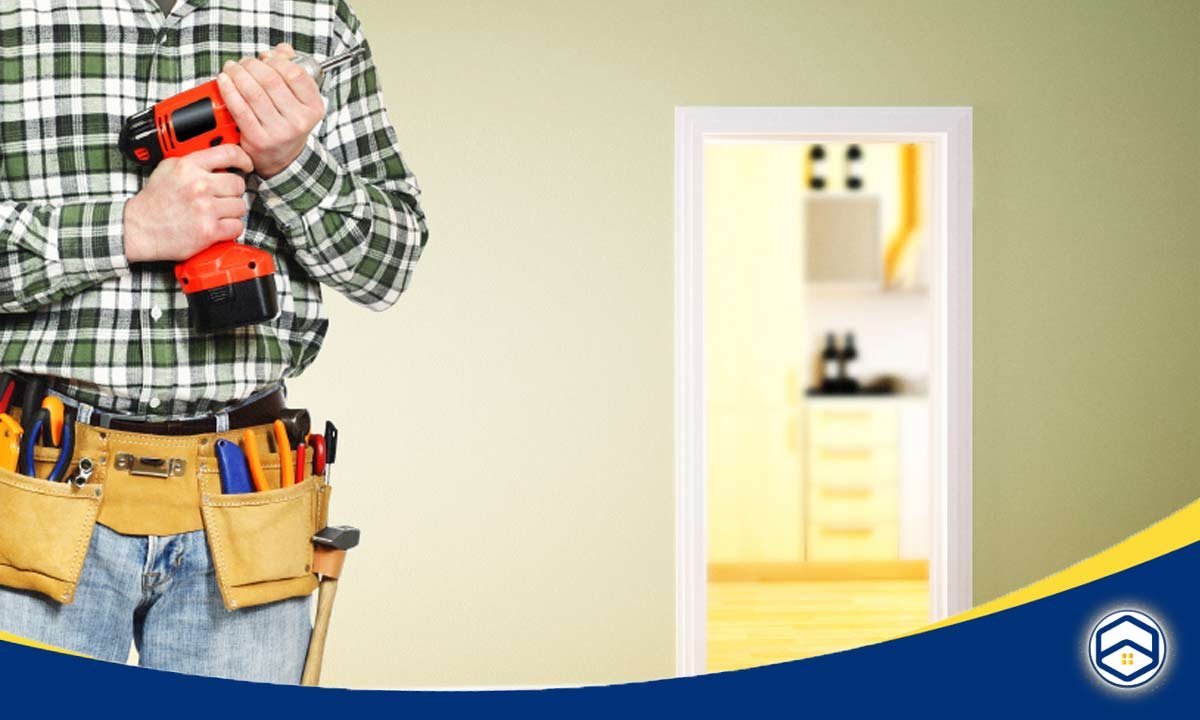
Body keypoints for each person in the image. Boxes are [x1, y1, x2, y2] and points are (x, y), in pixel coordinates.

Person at [0, 0, 427, 683]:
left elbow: (389, 267)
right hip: (34, 482)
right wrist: (128, 229)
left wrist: (291, 166)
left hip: (248, 496)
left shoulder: (316, 21)